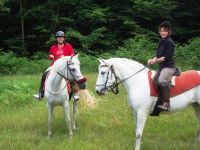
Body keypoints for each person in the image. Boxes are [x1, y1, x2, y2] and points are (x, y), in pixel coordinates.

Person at [33, 31, 80, 101]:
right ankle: (40, 93)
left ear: (64, 38)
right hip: (54, 66)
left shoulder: (68, 46)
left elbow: (72, 56)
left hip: (65, 66)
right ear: (56, 39)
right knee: (44, 75)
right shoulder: (53, 47)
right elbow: (49, 56)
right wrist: (50, 56)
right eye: (58, 38)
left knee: (71, 76)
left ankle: (74, 94)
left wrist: (65, 56)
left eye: (61, 37)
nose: (60, 39)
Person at [147, 21, 176, 111]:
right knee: (154, 80)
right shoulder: (161, 41)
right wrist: (152, 59)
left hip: (169, 67)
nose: (163, 33)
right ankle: (157, 102)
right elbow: (158, 55)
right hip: (162, 67)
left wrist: (155, 61)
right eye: (161, 31)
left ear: (168, 32)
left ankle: (166, 103)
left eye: (165, 31)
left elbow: (165, 57)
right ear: (159, 32)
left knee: (161, 81)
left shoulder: (169, 42)